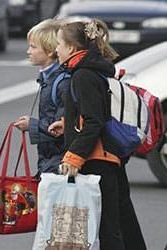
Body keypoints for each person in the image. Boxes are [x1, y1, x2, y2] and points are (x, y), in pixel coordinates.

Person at [48, 19, 145, 250]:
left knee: (108, 228)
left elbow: (94, 121)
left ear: (72, 48)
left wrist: (74, 155)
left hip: (98, 160)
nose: (56, 50)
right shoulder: (94, 70)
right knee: (121, 219)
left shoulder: (83, 75)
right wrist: (68, 125)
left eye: (59, 44)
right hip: (110, 156)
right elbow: (96, 112)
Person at [13, 19, 69, 175]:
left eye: (33, 47)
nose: (28, 51)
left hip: (59, 161)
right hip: (50, 159)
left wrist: (32, 125)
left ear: (51, 50)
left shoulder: (62, 81)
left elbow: (63, 126)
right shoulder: (49, 78)